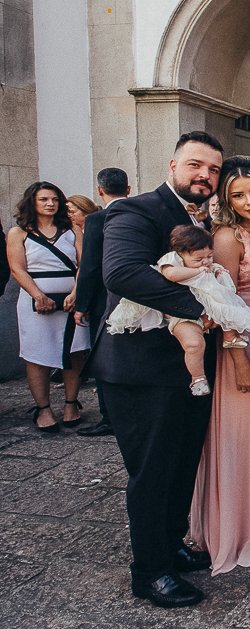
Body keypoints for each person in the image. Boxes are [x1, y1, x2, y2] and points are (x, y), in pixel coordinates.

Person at [91, 131, 224, 607]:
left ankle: (171, 545)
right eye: (195, 165)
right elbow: (122, 271)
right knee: (152, 472)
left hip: (188, 370)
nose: (204, 176)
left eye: (212, 169)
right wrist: (204, 306)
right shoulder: (135, 210)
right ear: (172, 165)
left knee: (183, 464)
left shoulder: (205, 218)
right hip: (141, 369)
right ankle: (149, 572)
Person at [189, 156, 250, 574]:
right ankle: (244, 527)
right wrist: (238, 359)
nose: (249, 201)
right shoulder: (227, 236)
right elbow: (222, 303)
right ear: (226, 200)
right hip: (242, 343)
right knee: (249, 431)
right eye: (238, 195)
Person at [106, 225, 250, 395]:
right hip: (183, 315)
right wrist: (196, 271)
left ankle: (231, 338)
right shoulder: (172, 261)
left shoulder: (207, 264)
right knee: (194, 344)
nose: (205, 261)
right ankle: (198, 378)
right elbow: (170, 274)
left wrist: (216, 269)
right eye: (198, 259)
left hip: (209, 308)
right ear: (179, 255)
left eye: (209, 256)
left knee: (228, 309)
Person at [7, 181, 91, 433]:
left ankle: (71, 404)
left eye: (55, 199)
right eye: (44, 199)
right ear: (32, 202)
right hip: (36, 300)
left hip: (70, 299)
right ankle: (43, 409)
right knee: (37, 353)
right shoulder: (18, 232)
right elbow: (17, 268)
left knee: (74, 351)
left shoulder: (73, 230)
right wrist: (37, 295)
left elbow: (83, 264)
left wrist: (77, 293)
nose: (50, 204)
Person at [73, 167, 130, 437]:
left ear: (99, 190)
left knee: (105, 359)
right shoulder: (141, 211)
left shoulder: (96, 219)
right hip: (136, 298)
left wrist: (81, 304)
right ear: (128, 189)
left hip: (103, 301)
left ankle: (109, 417)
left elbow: (90, 265)